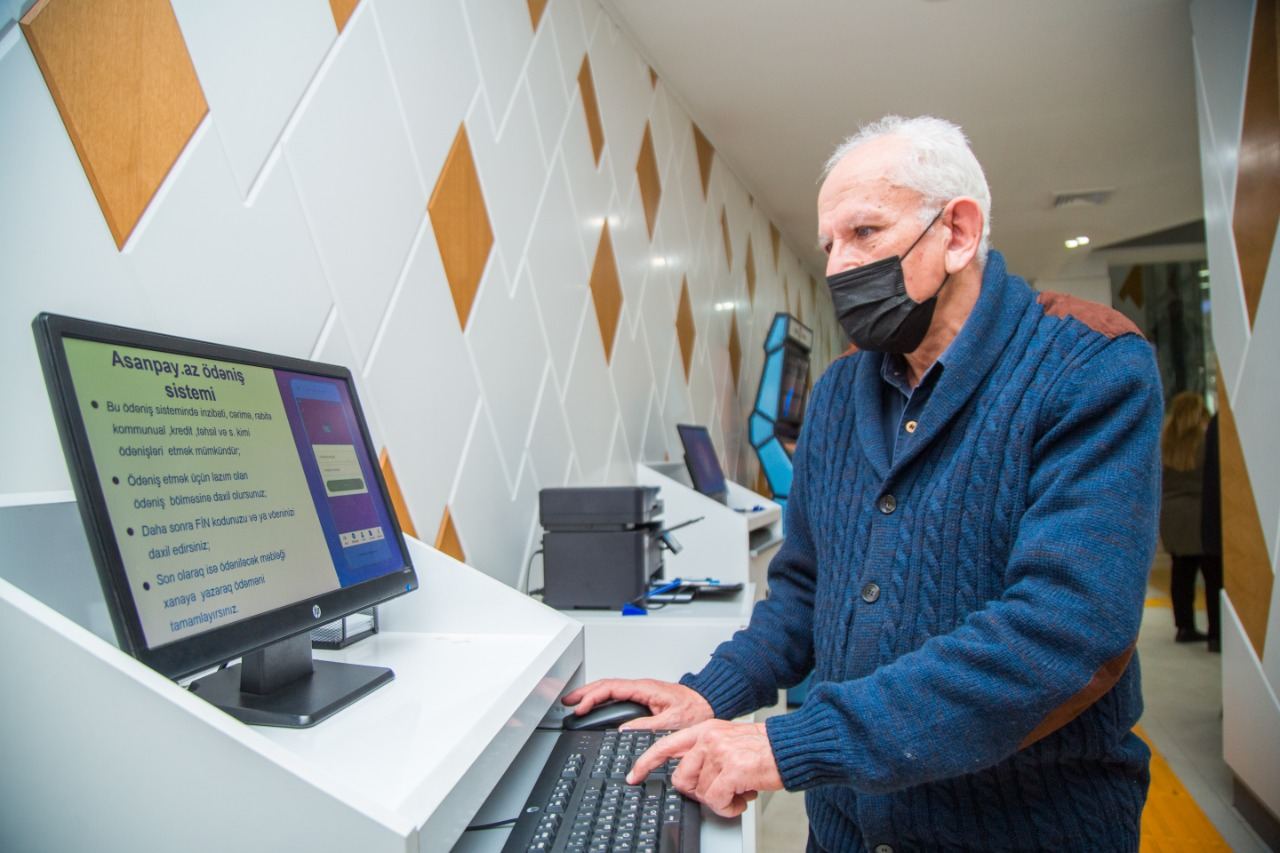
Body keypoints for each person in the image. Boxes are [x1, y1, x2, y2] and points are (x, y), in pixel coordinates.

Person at [564, 115, 1162, 851]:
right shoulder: (840, 393)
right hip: (848, 828)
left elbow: (1062, 632)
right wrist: (707, 693)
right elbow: (805, 594)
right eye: (829, 245)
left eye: (865, 232)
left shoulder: (1087, 367)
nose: (840, 267)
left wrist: (790, 743)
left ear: (958, 232)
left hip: (1023, 827)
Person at [1159, 391, 1213, 645]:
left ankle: (1184, 625)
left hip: (1170, 512)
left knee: (1180, 571)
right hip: (1199, 512)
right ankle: (1216, 631)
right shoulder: (1204, 440)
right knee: (1211, 572)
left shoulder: (1165, 440)